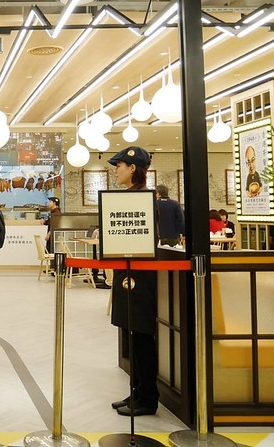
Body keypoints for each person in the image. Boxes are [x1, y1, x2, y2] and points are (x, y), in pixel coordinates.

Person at [107, 146, 159, 417]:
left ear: (133, 168)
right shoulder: (131, 195)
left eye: (119, 166)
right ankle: (137, 391)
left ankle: (148, 398)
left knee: (141, 337)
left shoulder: (143, 198)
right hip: (127, 273)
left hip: (140, 276)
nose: (116, 171)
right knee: (132, 335)